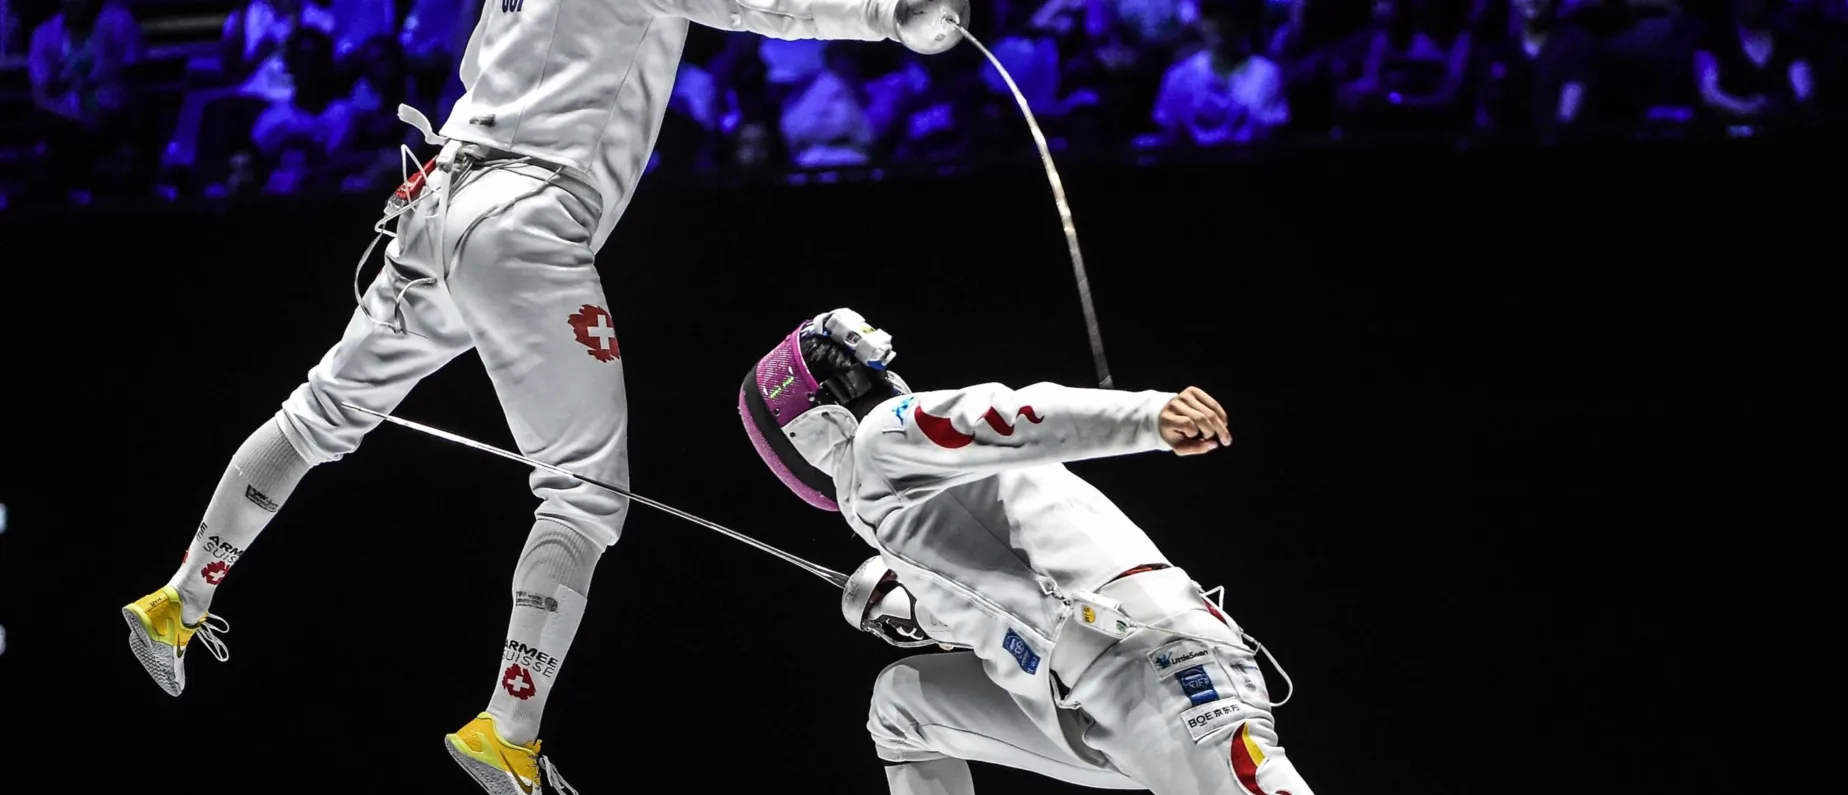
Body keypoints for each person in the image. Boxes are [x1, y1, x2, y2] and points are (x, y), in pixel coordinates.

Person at [119, 2, 972, 794]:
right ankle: (510, 725)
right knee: (582, 496)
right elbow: (766, 8)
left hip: (435, 202)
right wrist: (887, 13)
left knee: (321, 411)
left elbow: (475, 67)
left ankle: (180, 597)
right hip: (527, 219)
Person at [737, 309, 1317, 795]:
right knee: (900, 707)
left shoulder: (880, 440)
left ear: (809, 421)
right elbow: (1002, 594)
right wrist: (913, 610)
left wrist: (1148, 417)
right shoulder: (901, 495)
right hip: (1079, 698)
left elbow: (1005, 414)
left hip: (1150, 663)